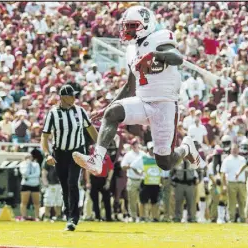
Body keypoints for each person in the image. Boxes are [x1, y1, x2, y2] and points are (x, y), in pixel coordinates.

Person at [72, 5, 206, 179]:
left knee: (164, 163)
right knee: (113, 113)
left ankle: (187, 147)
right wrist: (107, 107)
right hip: (143, 101)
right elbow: (130, 87)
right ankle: (96, 160)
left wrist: (155, 56)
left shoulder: (160, 39)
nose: (128, 30)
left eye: (133, 25)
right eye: (126, 26)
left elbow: (177, 58)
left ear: (147, 24)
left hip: (165, 105)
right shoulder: (131, 50)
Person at [41, 85, 98, 231]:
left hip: (77, 152)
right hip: (60, 153)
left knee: (72, 182)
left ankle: (73, 217)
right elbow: (45, 136)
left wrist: (100, 148)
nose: (74, 98)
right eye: (72, 96)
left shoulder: (80, 111)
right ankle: (69, 216)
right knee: (65, 186)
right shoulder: (53, 114)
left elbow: (90, 128)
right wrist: (47, 154)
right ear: (63, 97)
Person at [220, 143, 247, 223]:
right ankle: (231, 219)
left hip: (241, 183)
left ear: (238, 150)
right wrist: (224, 185)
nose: (235, 150)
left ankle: (243, 219)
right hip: (231, 183)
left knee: (242, 202)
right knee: (231, 202)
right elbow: (223, 174)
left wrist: (245, 182)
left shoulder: (242, 159)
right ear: (231, 150)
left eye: (236, 149)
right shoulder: (227, 160)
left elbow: (246, 172)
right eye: (233, 149)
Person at [19, 153, 41, 221]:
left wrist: (29, 176)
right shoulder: (22, 164)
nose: (28, 158)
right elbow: (24, 173)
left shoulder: (36, 164)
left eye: (30, 157)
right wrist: (27, 165)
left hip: (35, 184)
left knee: (36, 202)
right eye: (27, 157)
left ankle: (37, 217)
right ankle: (23, 216)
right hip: (26, 185)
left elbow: (37, 174)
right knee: (24, 202)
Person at [41, 157, 63, 222]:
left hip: (60, 183)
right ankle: (47, 216)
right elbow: (44, 171)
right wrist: (45, 182)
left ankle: (58, 216)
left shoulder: (62, 158)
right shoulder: (48, 158)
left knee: (59, 200)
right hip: (50, 184)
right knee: (48, 200)